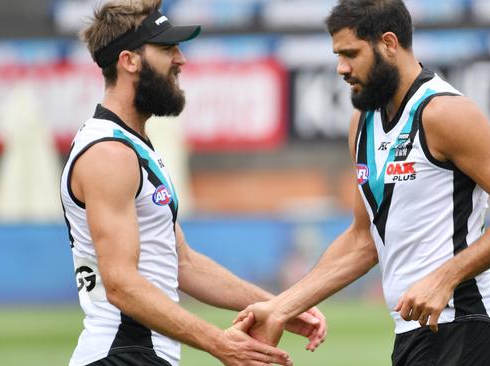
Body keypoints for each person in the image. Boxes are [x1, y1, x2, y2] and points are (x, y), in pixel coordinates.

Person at [235, 1, 490, 365]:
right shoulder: (362, 123)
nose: (341, 68)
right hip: (414, 334)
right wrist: (280, 307)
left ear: (389, 43)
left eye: (350, 54)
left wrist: (445, 278)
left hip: (463, 325)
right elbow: (362, 240)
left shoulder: (443, 112)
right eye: (338, 55)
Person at [60, 1, 326, 365]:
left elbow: (183, 263)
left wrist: (276, 305)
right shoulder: (108, 152)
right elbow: (121, 284)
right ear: (129, 61)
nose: (181, 60)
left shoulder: (131, 146)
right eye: (167, 49)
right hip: (121, 354)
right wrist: (220, 343)